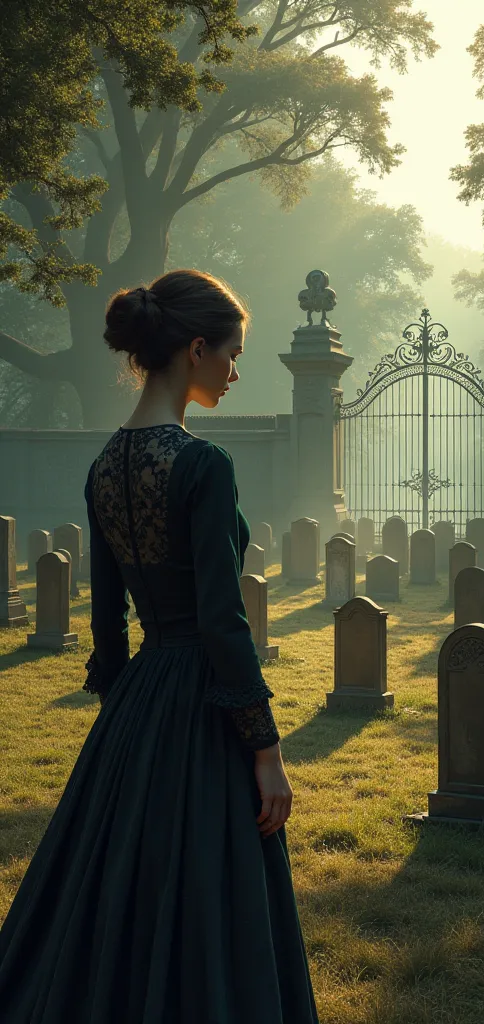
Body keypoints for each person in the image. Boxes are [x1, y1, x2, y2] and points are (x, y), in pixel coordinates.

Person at [0, 269, 319, 1023]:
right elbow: (221, 619)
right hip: (204, 699)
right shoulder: (202, 464)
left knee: (118, 882)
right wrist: (265, 746)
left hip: (139, 700)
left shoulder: (104, 465)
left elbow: (106, 621)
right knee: (215, 882)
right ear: (197, 348)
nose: (236, 372)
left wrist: (127, 720)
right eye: (233, 355)